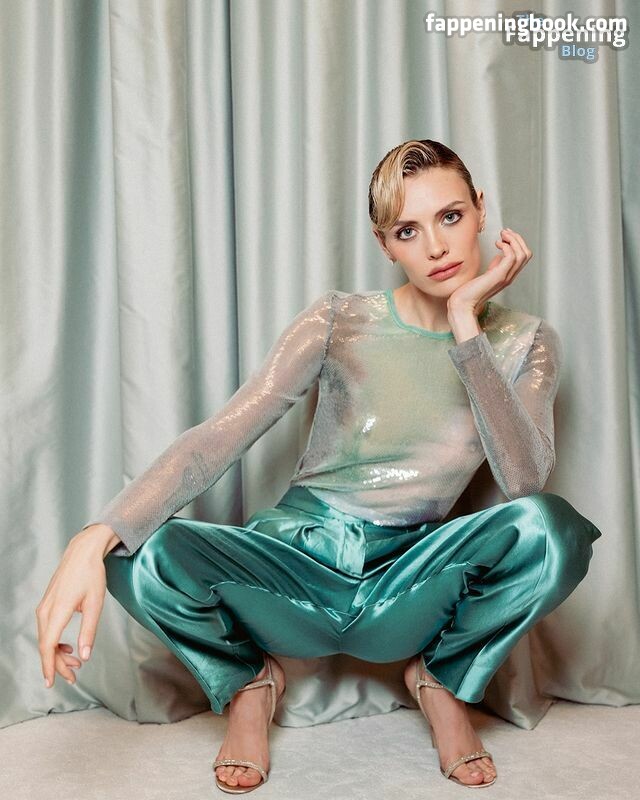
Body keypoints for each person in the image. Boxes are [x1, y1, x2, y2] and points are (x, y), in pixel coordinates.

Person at [36, 139, 602, 793]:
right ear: (385, 244)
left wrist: (465, 326)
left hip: (408, 583)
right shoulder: (341, 320)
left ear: (480, 209)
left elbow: (524, 481)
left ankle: (442, 681)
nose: (436, 247)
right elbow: (222, 435)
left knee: (552, 531)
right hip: (296, 567)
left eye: (450, 217)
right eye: (407, 230)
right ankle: (248, 686)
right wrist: (94, 535)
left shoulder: (528, 340)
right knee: (134, 550)